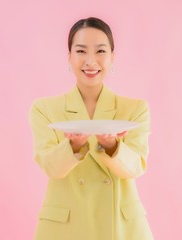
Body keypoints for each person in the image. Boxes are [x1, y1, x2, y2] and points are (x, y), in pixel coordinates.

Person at [29, 17, 153, 240]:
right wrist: (73, 147)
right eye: (81, 51)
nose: (90, 61)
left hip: (121, 228)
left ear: (112, 57)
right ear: (69, 57)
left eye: (100, 51)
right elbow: (51, 167)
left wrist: (112, 146)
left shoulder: (135, 109)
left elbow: (136, 167)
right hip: (65, 228)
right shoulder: (45, 109)